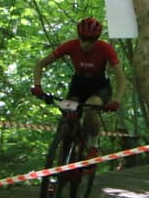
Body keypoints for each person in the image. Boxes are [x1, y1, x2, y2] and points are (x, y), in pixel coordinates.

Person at [31, 17, 127, 161]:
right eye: (83, 38)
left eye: (91, 40)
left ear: (96, 39)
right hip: (78, 86)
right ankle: (64, 152)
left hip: (99, 87)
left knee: (91, 108)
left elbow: (121, 79)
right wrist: (37, 86)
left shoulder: (105, 48)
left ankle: (93, 145)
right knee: (67, 112)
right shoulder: (71, 45)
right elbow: (40, 64)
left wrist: (116, 100)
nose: (85, 44)